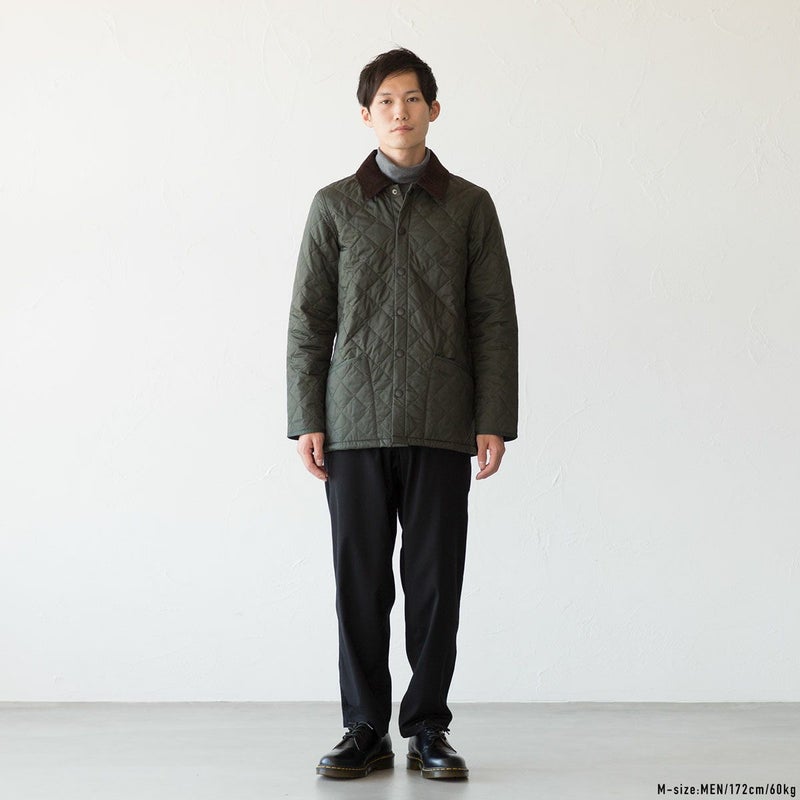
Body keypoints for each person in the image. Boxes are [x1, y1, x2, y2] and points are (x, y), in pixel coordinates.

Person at [286, 47, 518, 780]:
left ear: (433, 109)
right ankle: (364, 727)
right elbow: (309, 319)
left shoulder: (470, 206)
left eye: (412, 98)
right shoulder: (333, 206)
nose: (399, 112)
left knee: (435, 582)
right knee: (359, 581)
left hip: (441, 418)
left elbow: (493, 318)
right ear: (366, 115)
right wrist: (307, 415)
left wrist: (492, 416)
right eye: (385, 101)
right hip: (352, 424)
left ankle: (427, 727)